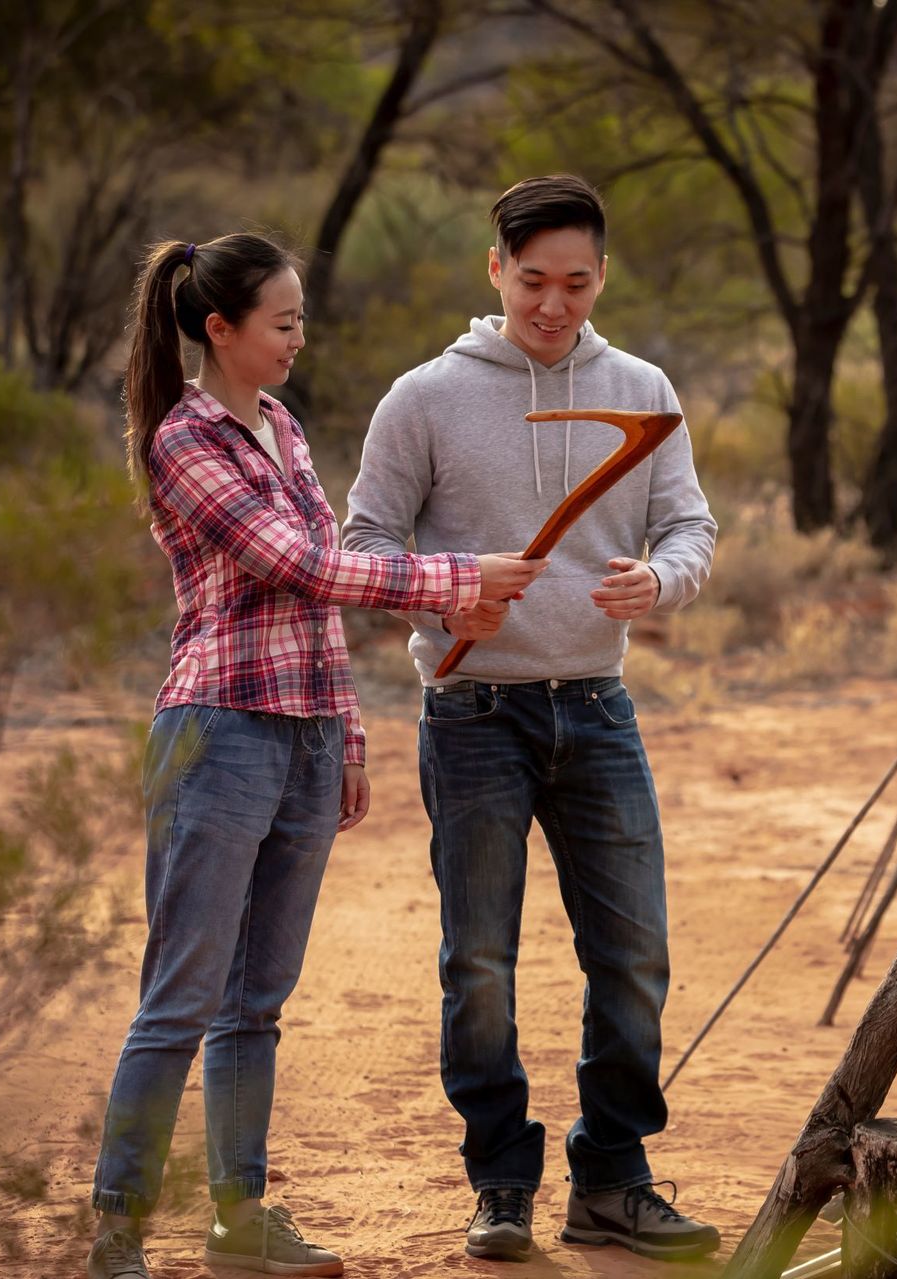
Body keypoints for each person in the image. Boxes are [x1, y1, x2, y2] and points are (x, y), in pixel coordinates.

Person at [87, 232, 545, 1279]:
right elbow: (300, 565)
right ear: (220, 328)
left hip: (300, 739)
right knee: (183, 995)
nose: (300, 339)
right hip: (217, 732)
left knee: (257, 1000)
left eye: (300, 320)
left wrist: (347, 736)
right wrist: (454, 577)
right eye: (283, 322)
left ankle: (240, 1221)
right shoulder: (183, 440)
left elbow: (320, 603)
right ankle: (118, 1227)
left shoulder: (284, 429)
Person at [343, 174, 719, 1262]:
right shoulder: (423, 398)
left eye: (577, 281)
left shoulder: (643, 389)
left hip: (598, 707)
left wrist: (662, 579)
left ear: (603, 277)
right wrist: (448, 584)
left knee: (635, 953)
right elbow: (362, 548)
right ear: (494, 269)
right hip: (471, 714)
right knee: (482, 964)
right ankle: (501, 1179)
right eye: (533, 279)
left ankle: (612, 1176)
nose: (553, 304)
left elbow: (690, 525)